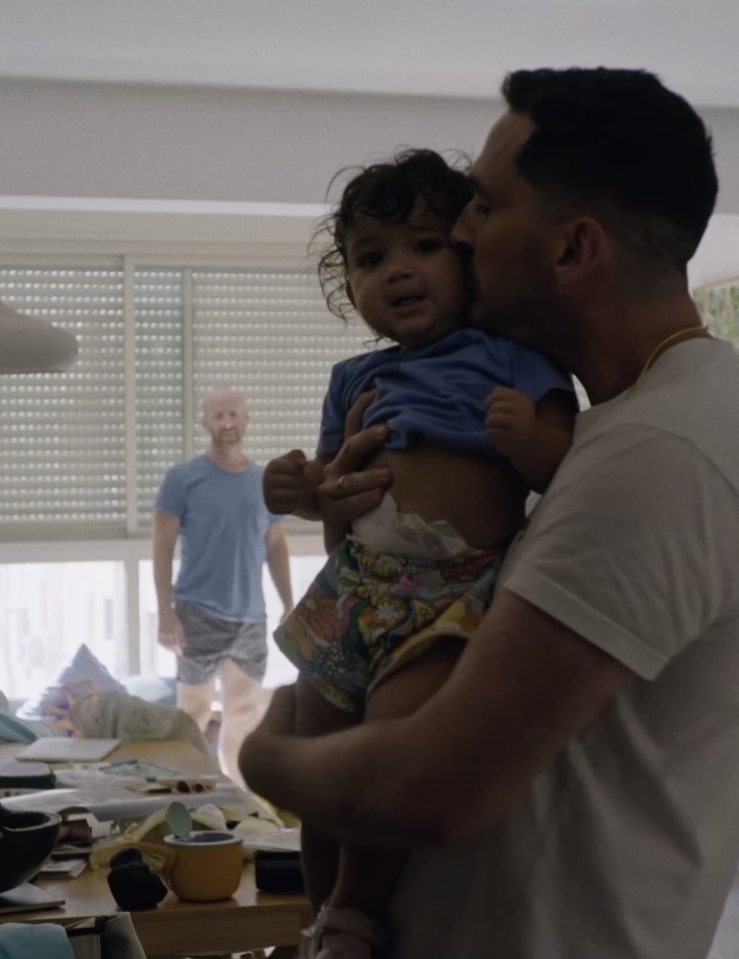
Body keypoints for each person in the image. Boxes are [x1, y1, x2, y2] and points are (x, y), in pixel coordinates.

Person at [238, 67, 739, 959]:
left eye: (484, 207)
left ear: (570, 250)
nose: (462, 232)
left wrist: (266, 759)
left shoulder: (663, 449)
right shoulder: (604, 430)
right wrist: (345, 503)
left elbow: (433, 784)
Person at [263, 149, 576, 958]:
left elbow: (566, 472)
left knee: (385, 762)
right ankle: (319, 913)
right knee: (316, 757)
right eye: (371, 258)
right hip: (355, 584)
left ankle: (357, 913)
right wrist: (296, 486)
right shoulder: (353, 376)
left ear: (469, 256)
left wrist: (529, 443)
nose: (397, 271)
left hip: (447, 598)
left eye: (424, 246)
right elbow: (332, 488)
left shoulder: (513, 358)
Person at [153, 386, 293, 787]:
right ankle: (191, 796)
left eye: (233, 415)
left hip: (251, 616)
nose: (227, 423)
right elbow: (162, 546)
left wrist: (289, 602)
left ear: (247, 419)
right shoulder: (182, 478)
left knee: (244, 714)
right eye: (219, 416)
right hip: (197, 612)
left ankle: (240, 797)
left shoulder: (265, 480)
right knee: (194, 713)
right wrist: (166, 611)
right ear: (205, 423)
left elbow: (275, 544)